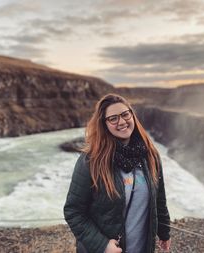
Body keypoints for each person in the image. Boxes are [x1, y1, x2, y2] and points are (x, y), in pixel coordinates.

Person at [64, 93, 171, 253]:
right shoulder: (91, 161)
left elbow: (159, 198)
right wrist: (102, 245)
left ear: (132, 115)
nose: (121, 122)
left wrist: (164, 232)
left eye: (125, 114)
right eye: (113, 118)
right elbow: (73, 211)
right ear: (104, 124)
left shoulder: (150, 155)